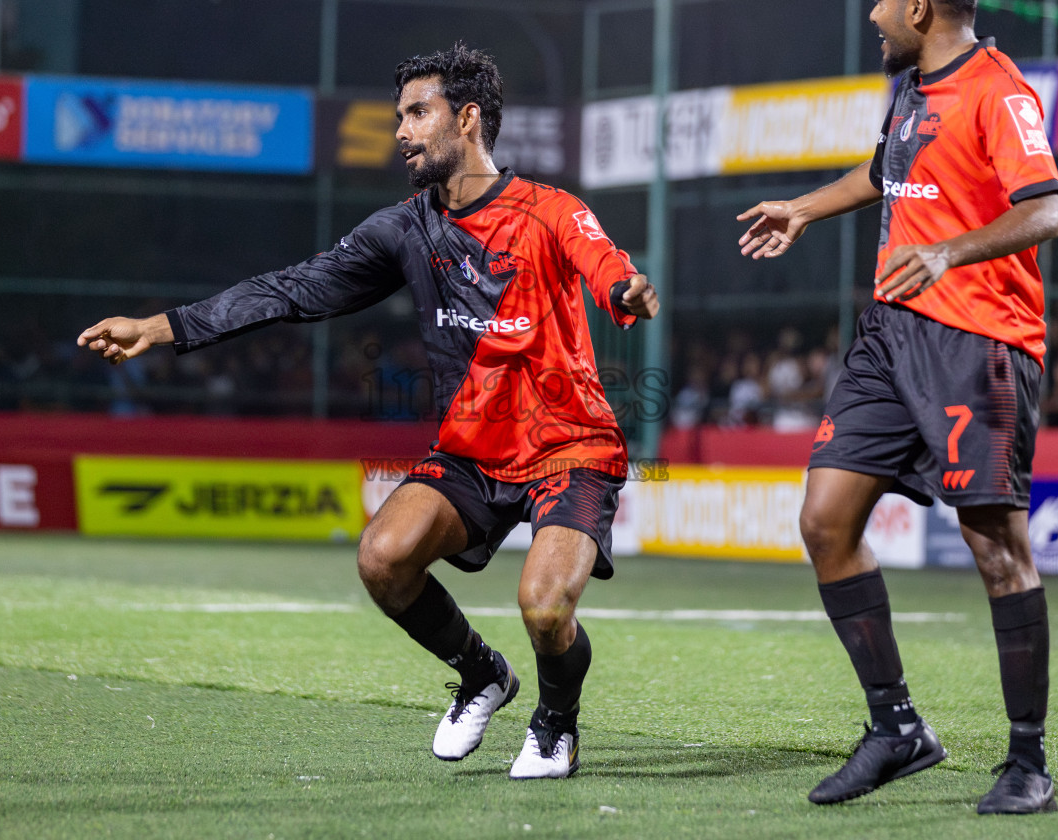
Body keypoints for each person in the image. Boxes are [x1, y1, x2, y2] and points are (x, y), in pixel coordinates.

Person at [77, 44, 659, 780]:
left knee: (545, 608)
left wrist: (624, 289)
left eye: (418, 113)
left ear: (467, 118)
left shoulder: (550, 211)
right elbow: (293, 288)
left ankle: (556, 725)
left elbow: (604, 264)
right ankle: (482, 673)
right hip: (472, 453)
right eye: (399, 116)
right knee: (382, 558)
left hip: (569, 447)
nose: (401, 132)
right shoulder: (405, 228)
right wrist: (162, 327)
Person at [736, 0, 1058, 815]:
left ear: (920, 6)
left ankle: (1028, 763)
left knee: (996, 548)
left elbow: (1044, 212)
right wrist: (803, 209)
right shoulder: (911, 89)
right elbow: (886, 173)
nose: (874, 15)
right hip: (889, 338)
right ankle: (897, 728)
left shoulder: (999, 91)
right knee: (824, 518)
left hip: (978, 343)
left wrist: (951, 251)